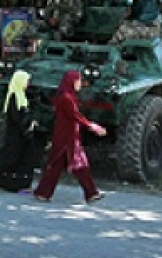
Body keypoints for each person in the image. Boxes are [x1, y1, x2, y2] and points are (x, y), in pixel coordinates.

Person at [34, 70, 107, 203]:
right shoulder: (66, 98)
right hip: (67, 138)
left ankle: (43, 193)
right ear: (71, 82)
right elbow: (75, 116)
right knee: (76, 164)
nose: (80, 83)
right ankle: (90, 193)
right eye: (78, 80)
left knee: (61, 165)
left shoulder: (68, 96)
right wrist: (92, 126)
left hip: (67, 136)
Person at [0, 70, 39, 192]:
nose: (27, 84)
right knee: (8, 157)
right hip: (16, 135)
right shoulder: (14, 96)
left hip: (21, 135)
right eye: (26, 81)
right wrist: (27, 125)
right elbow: (16, 117)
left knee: (19, 158)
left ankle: (20, 184)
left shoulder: (21, 96)